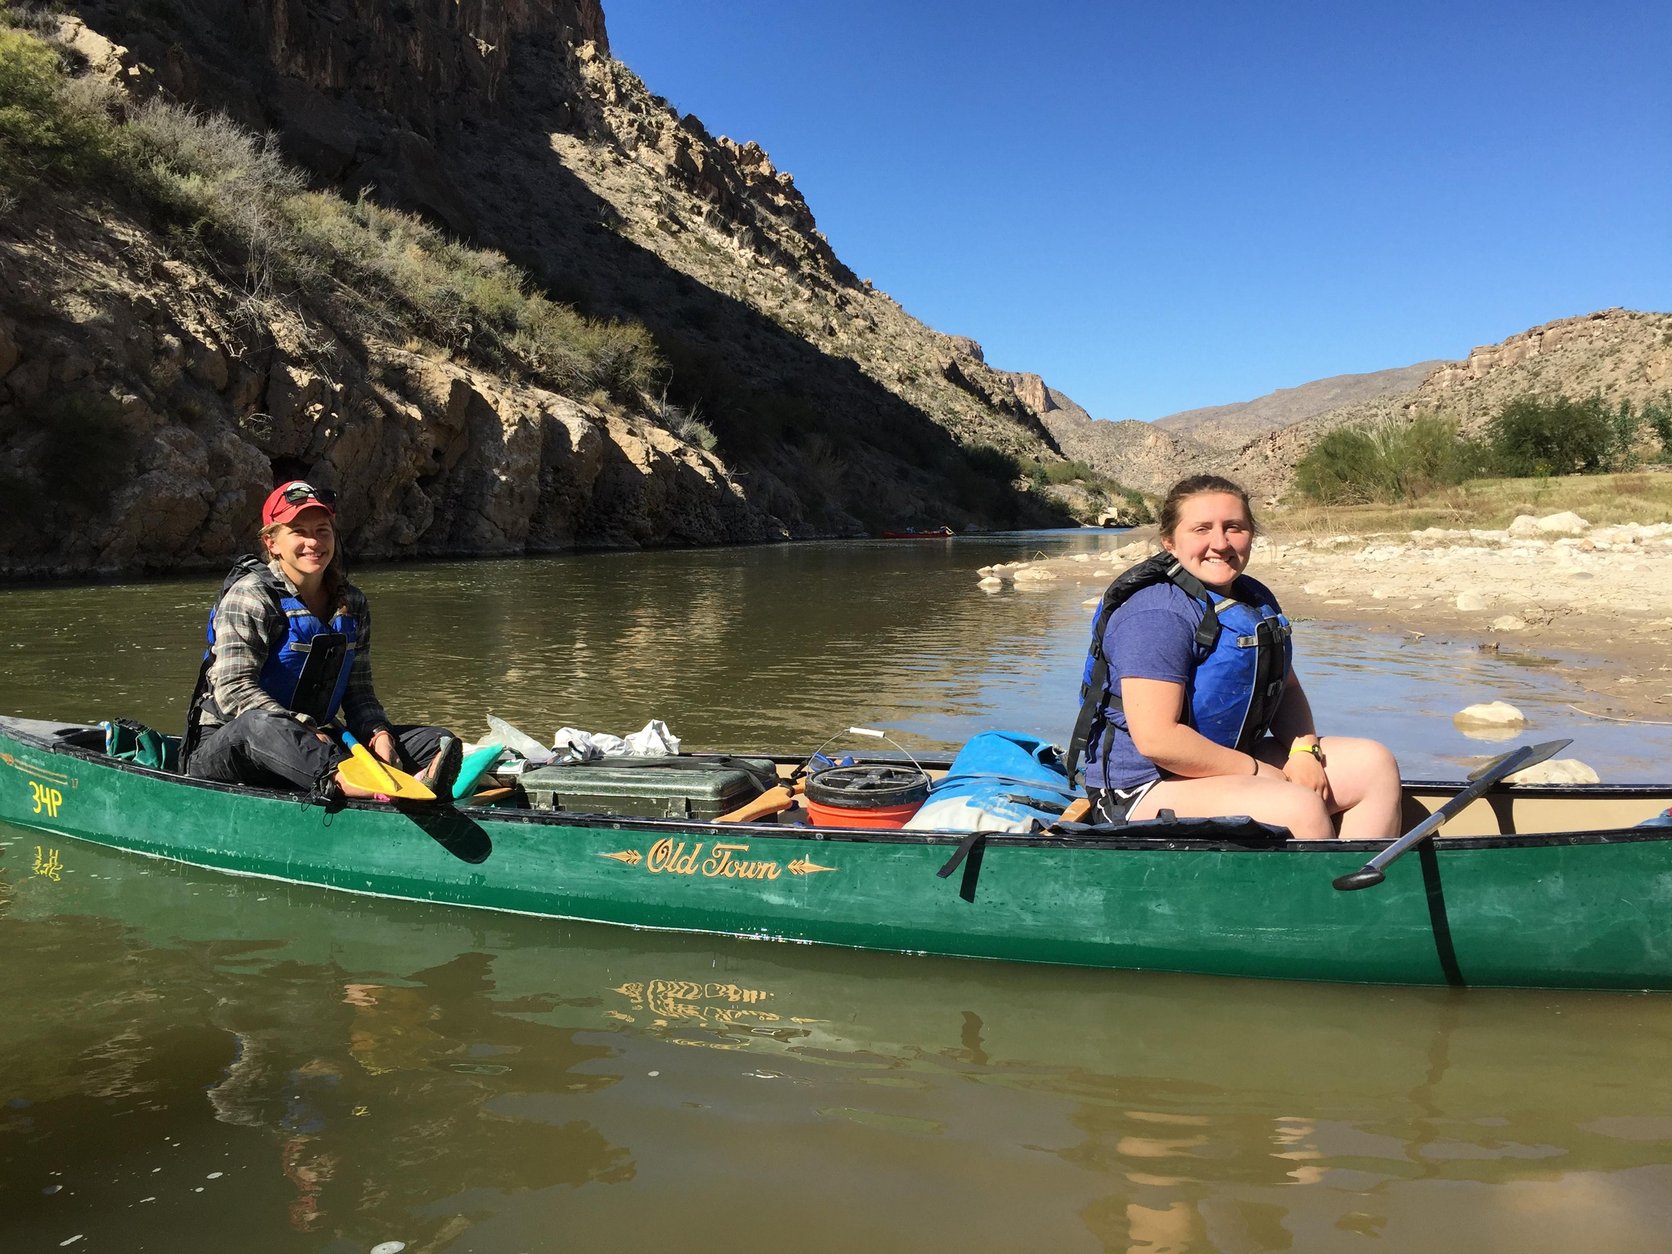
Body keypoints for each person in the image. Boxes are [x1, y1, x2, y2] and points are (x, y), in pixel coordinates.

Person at [1069, 474, 1401, 840]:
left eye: (1234, 528)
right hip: (1141, 788)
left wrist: (1304, 751)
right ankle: (1320, 894)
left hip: (1231, 759)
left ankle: (1363, 886)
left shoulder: (1251, 597)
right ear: (1170, 542)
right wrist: (1257, 772)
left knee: (1374, 765)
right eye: (1201, 529)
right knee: (1299, 807)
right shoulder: (1157, 614)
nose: (1220, 543)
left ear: (1251, 535)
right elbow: (1157, 739)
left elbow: (1287, 689)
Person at [181, 480, 461, 800]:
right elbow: (234, 690)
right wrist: (300, 727)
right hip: (234, 745)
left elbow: (359, 694)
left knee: (438, 741)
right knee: (260, 726)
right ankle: (346, 782)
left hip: (317, 743)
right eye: (299, 531)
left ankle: (413, 783)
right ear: (272, 542)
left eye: (322, 530)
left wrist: (377, 732)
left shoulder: (352, 603)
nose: (313, 542)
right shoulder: (250, 595)